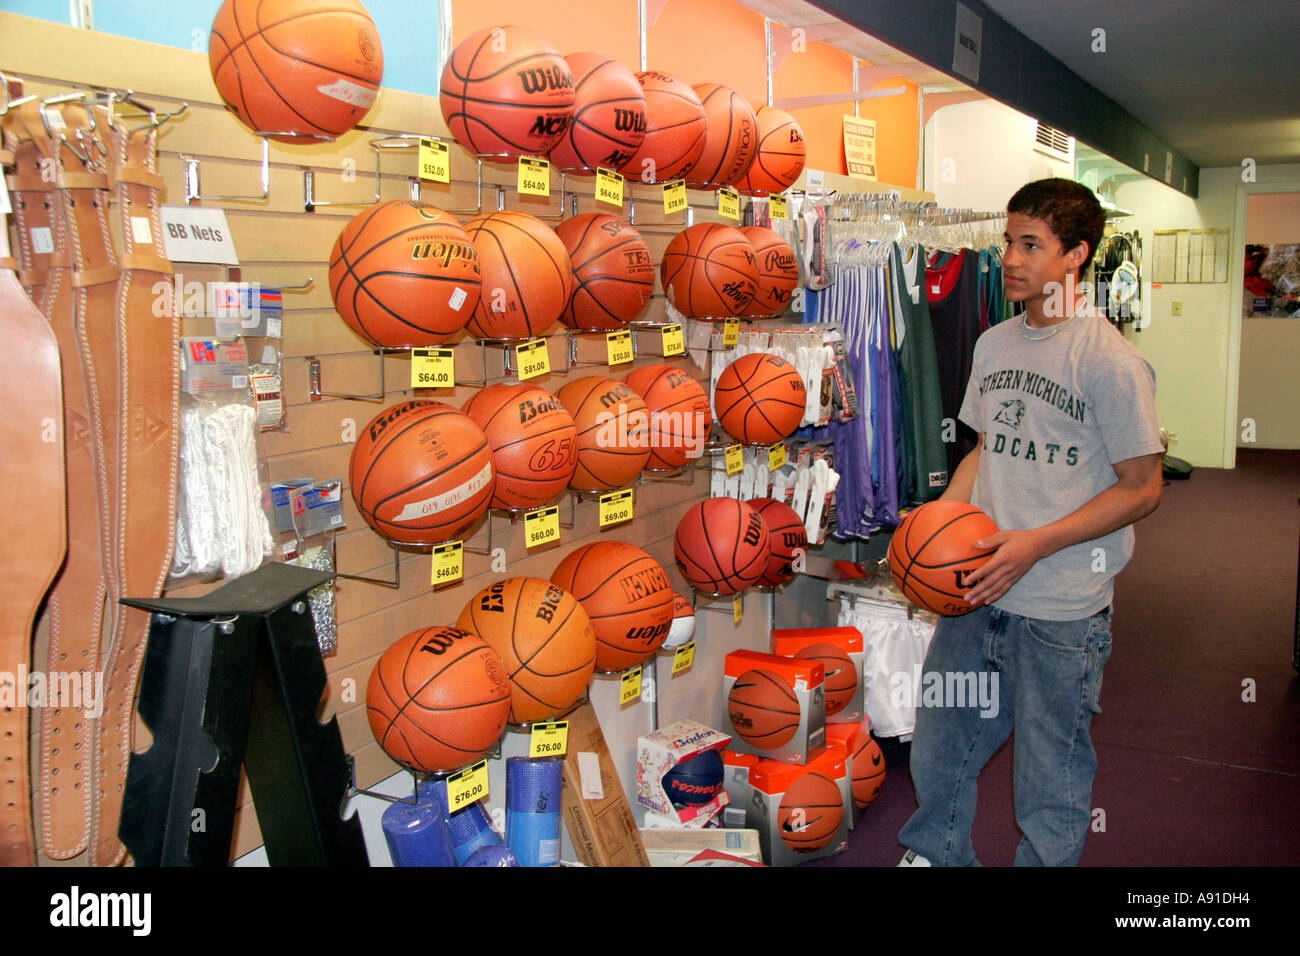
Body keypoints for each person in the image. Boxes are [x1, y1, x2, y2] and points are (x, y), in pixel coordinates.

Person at [897, 178, 1165, 866]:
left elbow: (1142, 489)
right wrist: (935, 525)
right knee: (942, 745)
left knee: (1050, 774)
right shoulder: (993, 345)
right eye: (1007, 242)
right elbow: (984, 452)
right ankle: (937, 856)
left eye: (1030, 245)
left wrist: (1036, 545)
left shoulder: (1109, 361)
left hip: (1062, 606)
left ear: (1075, 255)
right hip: (976, 587)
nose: (1011, 259)